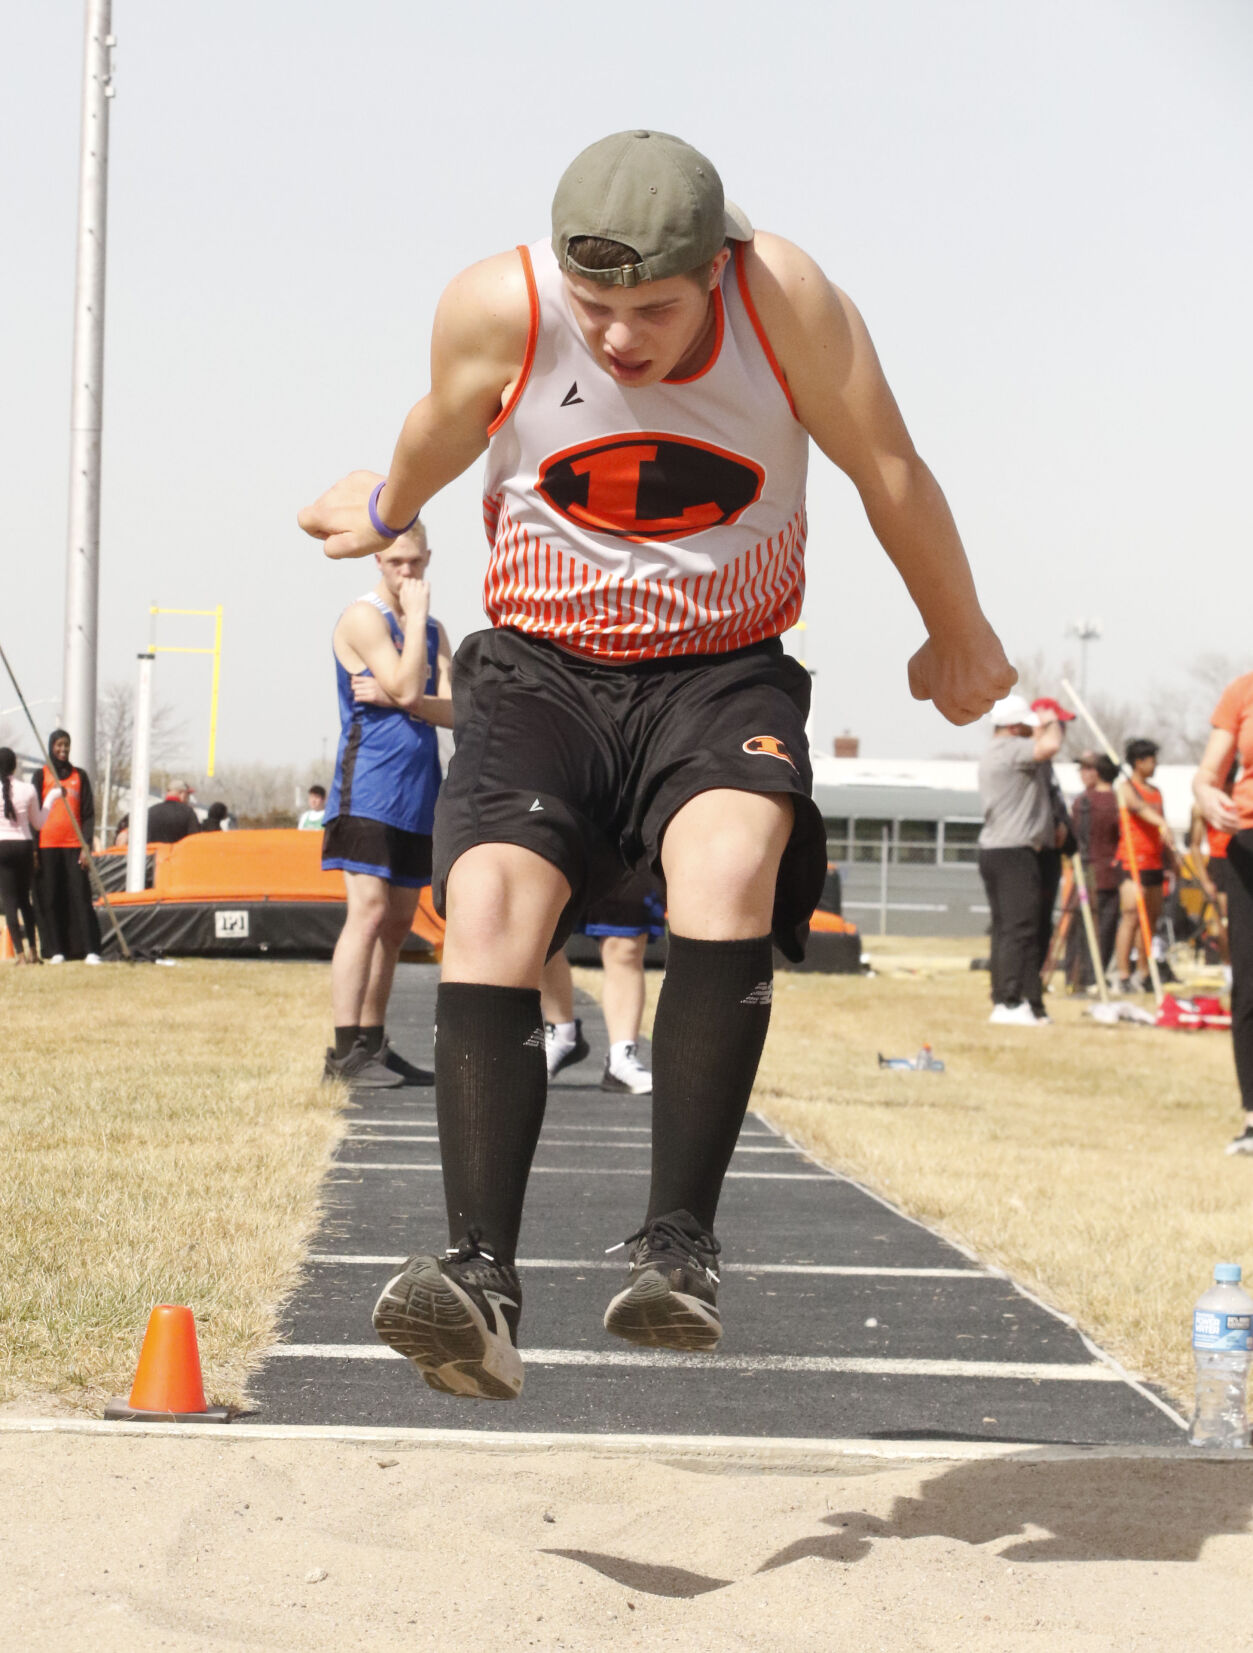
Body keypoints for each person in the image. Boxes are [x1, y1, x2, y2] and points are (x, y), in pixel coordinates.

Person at [300, 129, 1013, 1400]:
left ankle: (678, 1248)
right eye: (598, 311)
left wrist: (954, 630)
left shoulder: (781, 299)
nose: (620, 340)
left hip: (719, 667)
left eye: (652, 310)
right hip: (541, 667)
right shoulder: (497, 304)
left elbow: (887, 469)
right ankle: (476, 1276)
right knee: (492, 903)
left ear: (716, 265)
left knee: (731, 861)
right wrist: (386, 510)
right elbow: (436, 429)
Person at [320, 523, 453, 1090]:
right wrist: (411, 686)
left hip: (418, 792)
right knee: (369, 912)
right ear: (378, 561)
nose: (409, 574)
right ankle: (344, 1050)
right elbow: (402, 688)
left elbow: (456, 710)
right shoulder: (363, 618)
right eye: (398, 562)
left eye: (417, 562)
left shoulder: (437, 630)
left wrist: (414, 699)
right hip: (367, 788)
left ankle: (375, 1043)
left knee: (399, 924)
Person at [1193, 672, 1253, 1153]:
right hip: (1247, 846)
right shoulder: (1243, 689)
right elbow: (1207, 775)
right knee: (1250, 985)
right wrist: (1206, 793)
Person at [977, 694, 1064, 1025]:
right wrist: (1049, 718)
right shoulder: (1012, 749)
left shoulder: (995, 750)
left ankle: (1017, 999)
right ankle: (1009, 1001)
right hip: (1014, 852)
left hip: (998, 851)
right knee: (1020, 929)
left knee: (1008, 929)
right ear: (1014, 727)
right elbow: (1050, 745)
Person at [541, 869, 666, 1094]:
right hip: (566, 836)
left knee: (624, 944)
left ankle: (621, 1058)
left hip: (623, 840)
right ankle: (561, 1032)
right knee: (537, 929)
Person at [32, 729, 102, 964]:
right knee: (50, 897)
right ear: (51, 747)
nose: (63, 750)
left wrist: (86, 845)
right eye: (59, 746)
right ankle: (56, 950)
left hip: (74, 845)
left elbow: (89, 814)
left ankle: (90, 949)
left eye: (66, 746)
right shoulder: (41, 775)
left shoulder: (79, 776)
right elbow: (34, 814)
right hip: (47, 845)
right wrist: (34, 849)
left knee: (80, 896)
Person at [1114, 738, 1175, 993]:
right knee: (1130, 916)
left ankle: (1144, 971)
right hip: (1132, 861)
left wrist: (1172, 860)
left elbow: (1165, 830)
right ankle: (1122, 974)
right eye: (1151, 759)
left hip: (1154, 862)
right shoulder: (1125, 787)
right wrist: (1160, 822)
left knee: (1149, 920)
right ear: (1139, 762)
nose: (1156, 764)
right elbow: (1137, 808)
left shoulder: (1156, 791)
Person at [1066, 751, 1121, 988]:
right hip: (1108, 873)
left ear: (1097, 772)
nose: (1082, 773)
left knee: (1085, 928)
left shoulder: (1085, 801)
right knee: (1102, 929)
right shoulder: (1121, 800)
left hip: (1089, 873)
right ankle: (1091, 978)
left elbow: (1074, 837)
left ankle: (1081, 977)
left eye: (1086, 768)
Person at [0, 748, 57, 963]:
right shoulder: (28, 789)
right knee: (25, 900)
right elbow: (39, 823)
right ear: (15, 766)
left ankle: (20, 955)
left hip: (2, 846)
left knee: (9, 901)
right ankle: (34, 951)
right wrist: (52, 796)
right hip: (24, 845)